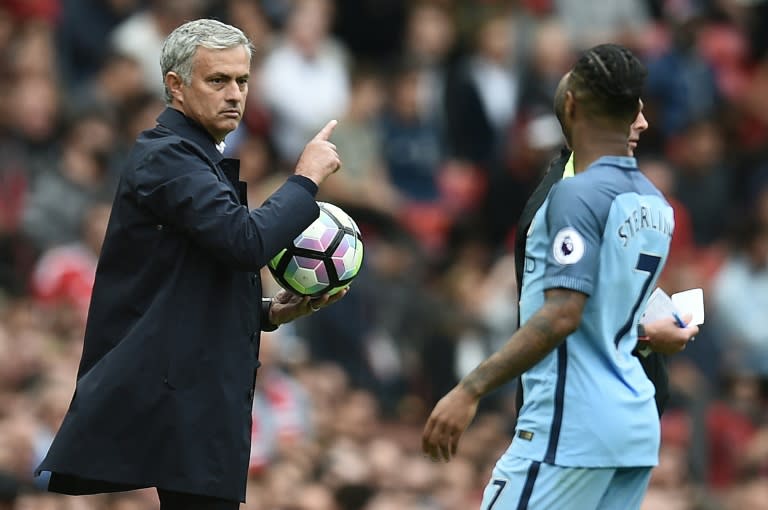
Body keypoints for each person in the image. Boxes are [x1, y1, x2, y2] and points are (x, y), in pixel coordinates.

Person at [35, 19, 344, 509]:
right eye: (217, 80)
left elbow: (189, 280)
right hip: (181, 400)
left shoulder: (195, 157)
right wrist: (304, 179)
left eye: (242, 81)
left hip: (194, 396)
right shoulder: (168, 156)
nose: (234, 94)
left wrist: (268, 312)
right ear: (175, 86)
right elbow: (246, 243)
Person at [422, 44, 692, 509]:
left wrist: (470, 388)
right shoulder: (656, 203)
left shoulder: (572, 196)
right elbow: (616, 311)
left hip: (571, 424)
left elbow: (563, 315)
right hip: (635, 424)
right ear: (633, 112)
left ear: (571, 106)